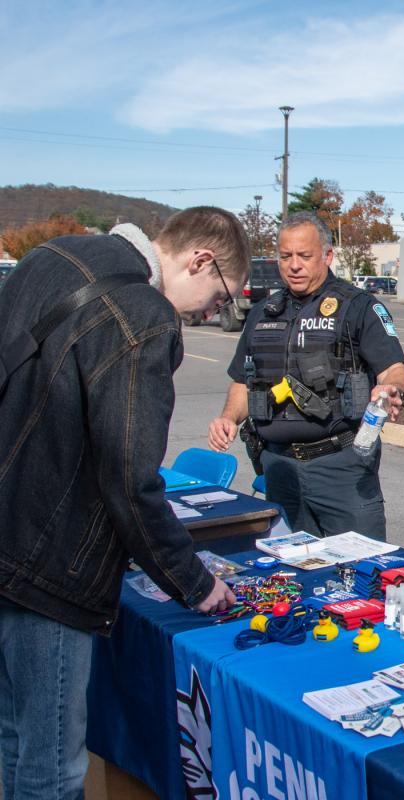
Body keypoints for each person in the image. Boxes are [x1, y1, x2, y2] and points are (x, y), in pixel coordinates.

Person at [0, 207, 247, 799]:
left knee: (15, 740)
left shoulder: (53, 254)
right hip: (50, 569)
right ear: (199, 260)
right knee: (53, 770)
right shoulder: (144, 315)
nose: (214, 314)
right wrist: (196, 582)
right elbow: (131, 479)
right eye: (220, 298)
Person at [208, 211, 404, 539]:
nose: (294, 265)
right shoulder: (261, 314)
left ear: (327, 255)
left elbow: (395, 369)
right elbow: (244, 381)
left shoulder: (357, 307)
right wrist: (228, 418)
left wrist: (391, 389)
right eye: (286, 256)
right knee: (290, 571)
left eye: (304, 255)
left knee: (363, 570)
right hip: (279, 468)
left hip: (341, 467)